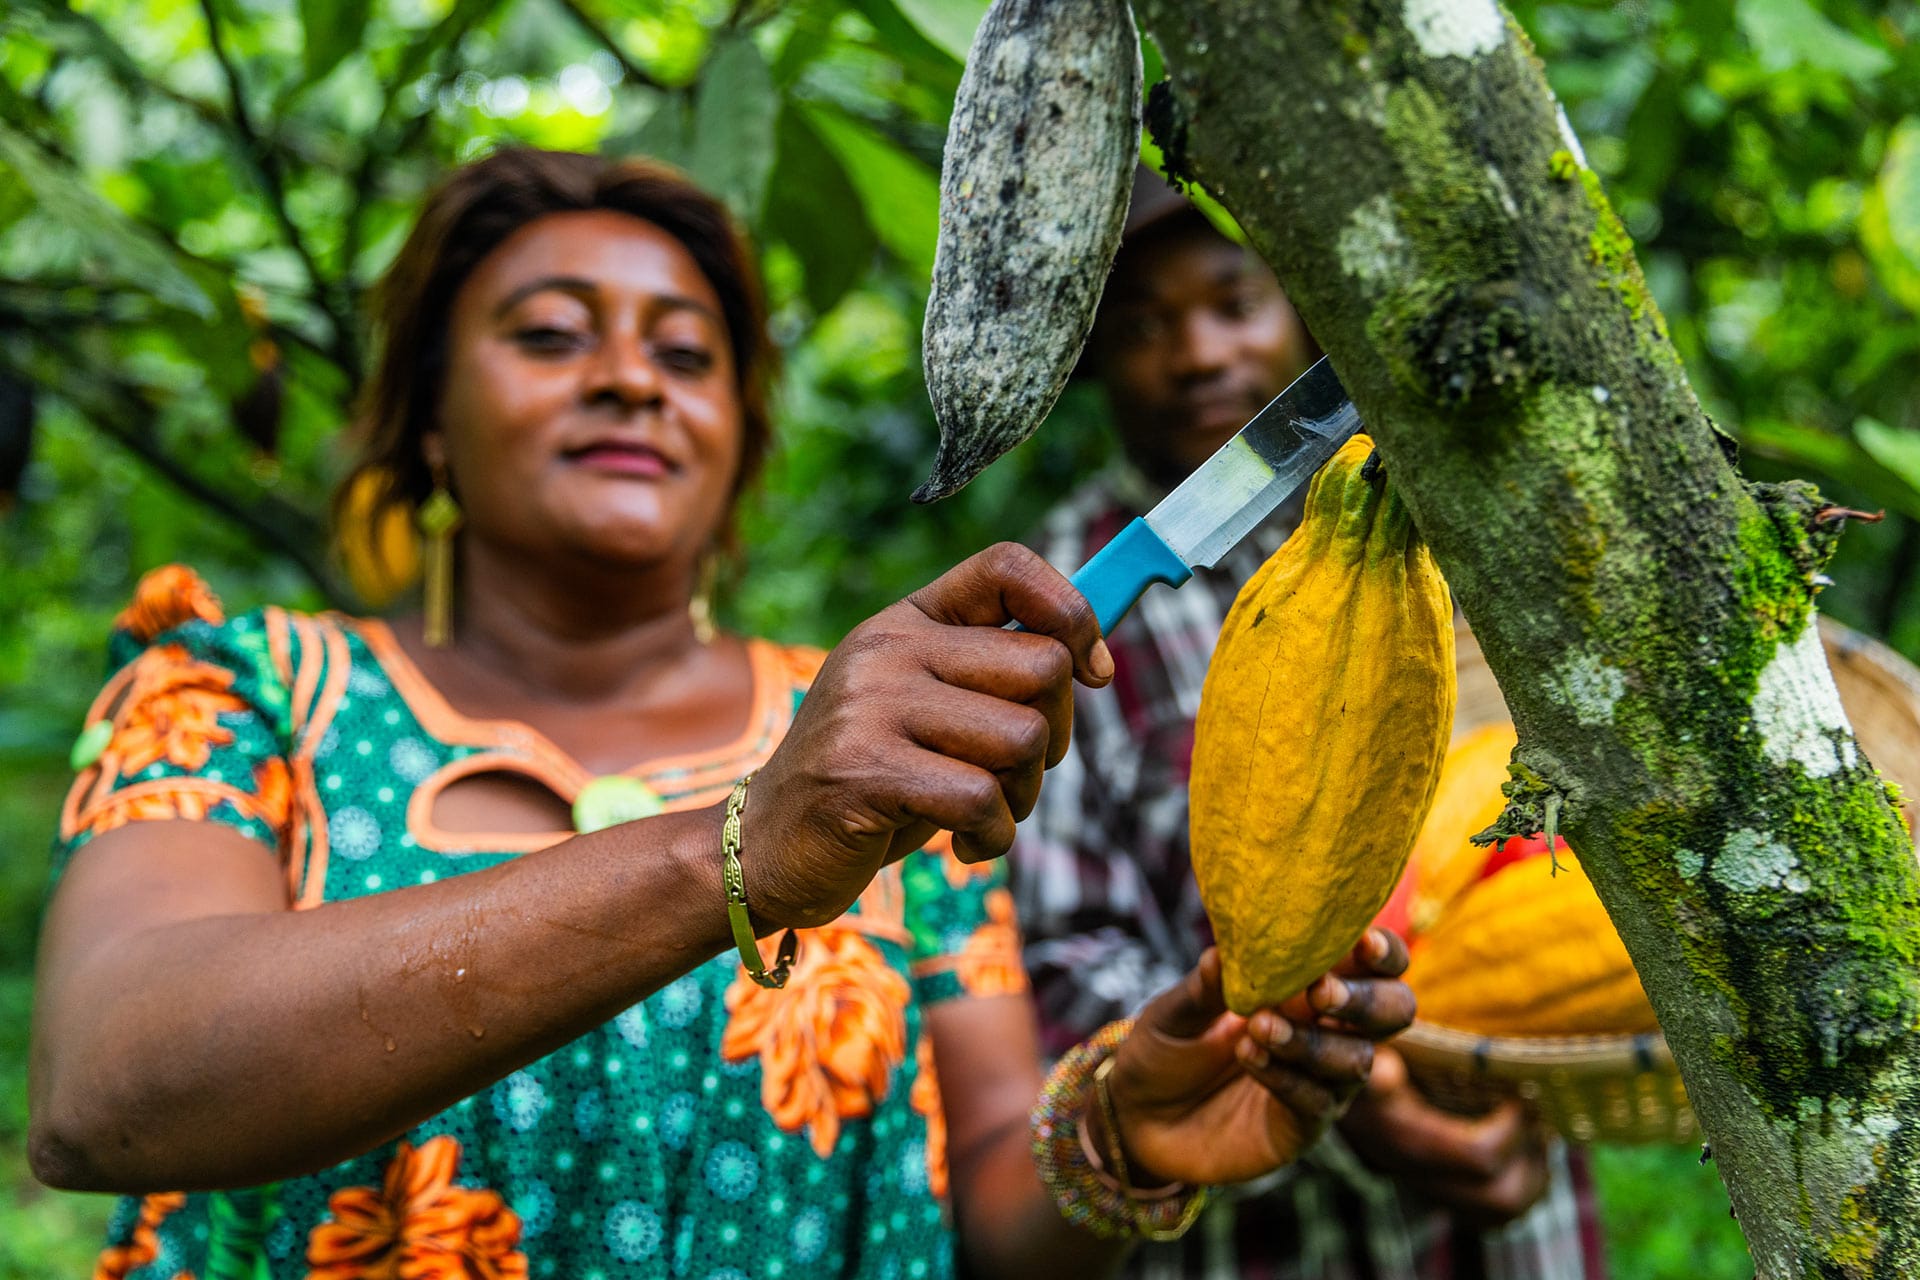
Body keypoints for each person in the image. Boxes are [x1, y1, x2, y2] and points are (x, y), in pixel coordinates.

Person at [27, 147, 1418, 1280]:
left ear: (741, 443)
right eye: (552, 335)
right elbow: (110, 1086)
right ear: (431, 419)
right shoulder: (244, 692)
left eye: (686, 356)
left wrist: (1114, 1132)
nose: (630, 377)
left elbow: (991, 1196)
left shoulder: (887, 735)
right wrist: (739, 847)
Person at [1011, 170, 1609, 1280]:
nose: (1196, 354)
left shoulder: (1466, 534)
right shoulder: (1077, 605)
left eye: (1233, 303)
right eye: (1143, 325)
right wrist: (1312, 1057)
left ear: (1297, 310)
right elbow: (1060, 947)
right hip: (1256, 1230)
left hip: (1510, 1206)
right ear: (1094, 361)